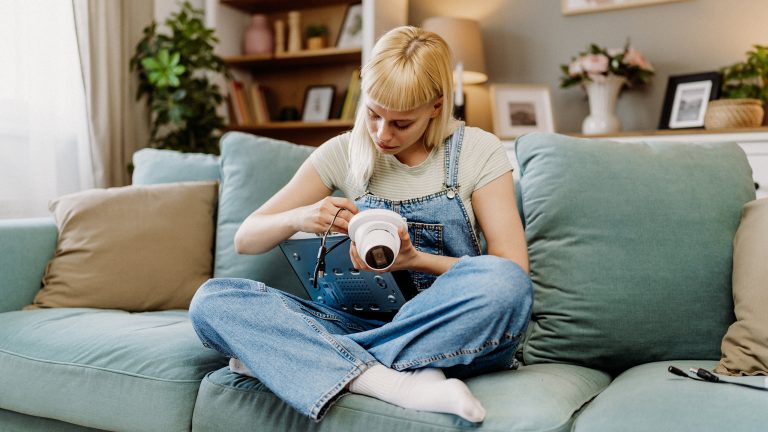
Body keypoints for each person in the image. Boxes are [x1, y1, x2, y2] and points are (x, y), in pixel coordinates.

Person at [189, 25, 532, 424]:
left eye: (400, 124)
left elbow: (511, 270)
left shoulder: (477, 151)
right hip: (355, 320)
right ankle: (396, 381)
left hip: (449, 327)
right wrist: (300, 217)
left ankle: (301, 358)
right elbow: (245, 238)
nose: (382, 134)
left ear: (436, 107)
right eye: (372, 114)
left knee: (505, 286)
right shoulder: (342, 152)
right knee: (212, 301)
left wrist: (414, 260)